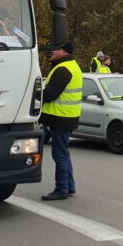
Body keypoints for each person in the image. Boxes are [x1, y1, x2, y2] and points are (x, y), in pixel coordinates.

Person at [39, 41, 82, 201]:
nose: (51, 51)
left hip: (61, 118)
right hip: (67, 116)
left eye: (54, 49)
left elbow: (50, 94)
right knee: (64, 152)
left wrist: (36, 94)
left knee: (60, 154)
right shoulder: (70, 65)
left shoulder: (63, 69)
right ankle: (69, 186)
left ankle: (61, 188)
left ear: (63, 51)